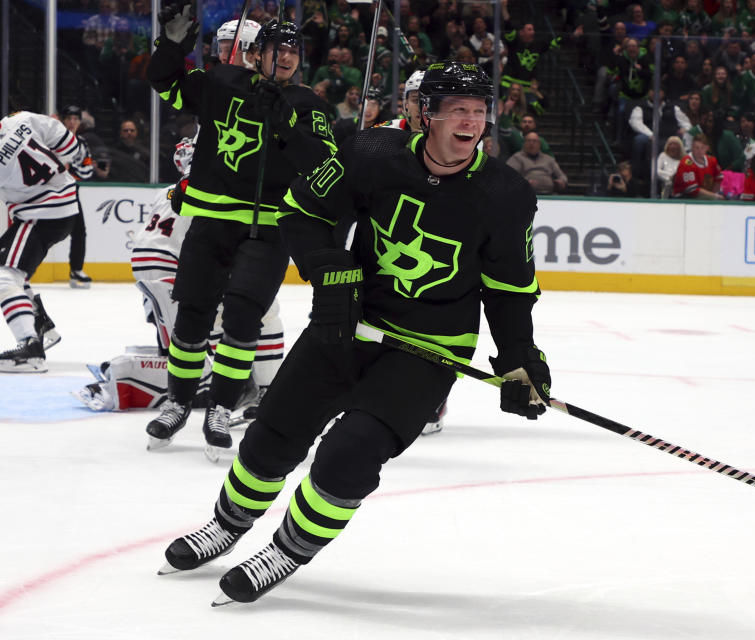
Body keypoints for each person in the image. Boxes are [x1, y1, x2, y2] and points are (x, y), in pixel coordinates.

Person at [156, 61, 551, 606]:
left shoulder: (506, 196)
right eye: (458, 109)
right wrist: (330, 271)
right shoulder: (372, 155)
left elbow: (507, 291)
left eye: (479, 111)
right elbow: (300, 212)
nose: (471, 121)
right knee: (272, 437)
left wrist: (520, 358)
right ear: (425, 115)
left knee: (352, 451)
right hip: (349, 323)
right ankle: (227, 525)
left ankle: (286, 550)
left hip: (429, 350)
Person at [143, 4, 336, 459]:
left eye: (293, 50)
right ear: (256, 53)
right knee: (191, 314)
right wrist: (171, 45)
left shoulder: (309, 104)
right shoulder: (222, 82)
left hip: (268, 230)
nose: (286, 57)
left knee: (243, 319)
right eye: (276, 48)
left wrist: (287, 123)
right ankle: (178, 401)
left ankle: (221, 404)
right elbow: (165, 84)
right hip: (210, 221)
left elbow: (326, 168)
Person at [75, 135, 283, 417]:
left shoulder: (168, 191)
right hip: (178, 268)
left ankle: (189, 374)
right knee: (262, 311)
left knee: (186, 338)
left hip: (147, 267)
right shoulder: (219, 191)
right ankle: (260, 389)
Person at [0, 111, 85, 372]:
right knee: (13, 273)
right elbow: (73, 149)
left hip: (41, 214)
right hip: (65, 206)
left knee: (5, 275)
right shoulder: (22, 119)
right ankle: (40, 328)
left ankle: (30, 348)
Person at [59, 105, 96, 288]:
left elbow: (88, 169)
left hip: (71, 190)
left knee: (79, 231)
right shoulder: (52, 139)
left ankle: (76, 269)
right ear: (63, 120)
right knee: (38, 229)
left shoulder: (82, 143)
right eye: (69, 118)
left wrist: (70, 170)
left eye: (76, 119)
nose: (72, 122)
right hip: (49, 190)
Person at [672, 134, 723, 200]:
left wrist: (714, 195)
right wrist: (715, 197)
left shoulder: (712, 160)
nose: (699, 151)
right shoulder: (686, 163)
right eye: (696, 147)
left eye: (702, 148)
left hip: (706, 197)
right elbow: (692, 190)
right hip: (684, 199)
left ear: (707, 148)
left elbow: (718, 179)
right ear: (692, 147)